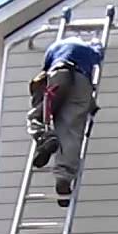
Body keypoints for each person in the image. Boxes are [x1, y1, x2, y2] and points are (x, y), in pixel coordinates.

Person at [28, 35, 104, 206]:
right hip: (82, 83)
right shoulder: (88, 50)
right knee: (71, 131)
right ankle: (64, 177)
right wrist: (96, 43)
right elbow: (99, 54)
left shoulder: (55, 47)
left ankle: (45, 137)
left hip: (60, 74)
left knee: (39, 114)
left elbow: (44, 74)